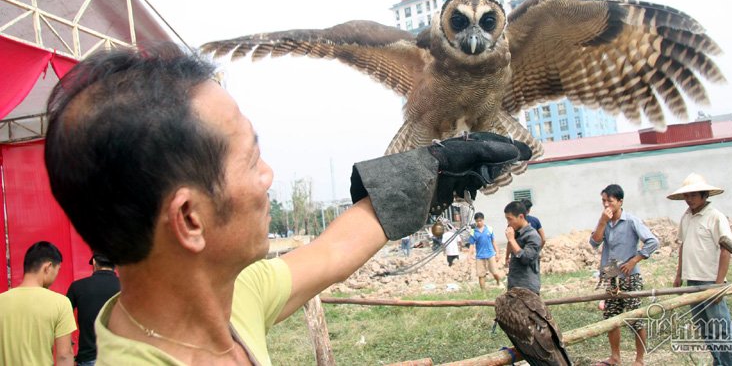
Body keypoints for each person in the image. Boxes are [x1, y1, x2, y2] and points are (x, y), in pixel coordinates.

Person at [43, 43, 529, 365]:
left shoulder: (228, 300)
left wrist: (436, 166)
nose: (268, 176)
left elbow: (333, 252)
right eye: (252, 160)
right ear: (189, 219)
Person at [669, 174, 732, 366]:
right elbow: (683, 246)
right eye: (687, 195)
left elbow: (726, 250)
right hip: (692, 280)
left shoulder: (715, 217)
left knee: (722, 330)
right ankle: (719, 362)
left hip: (710, 281)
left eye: (693, 195)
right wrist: (679, 275)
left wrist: (719, 283)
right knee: (706, 329)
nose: (689, 199)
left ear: (704, 195)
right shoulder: (686, 216)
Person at [589, 184, 659, 366]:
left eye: (609, 201)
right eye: (603, 201)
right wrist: (602, 221)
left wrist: (634, 260)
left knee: (635, 318)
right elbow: (594, 242)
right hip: (611, 273)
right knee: (612, 318)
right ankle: (615, 357)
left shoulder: (631, 221)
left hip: (629, 275)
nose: (606, 205)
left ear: (620, 202)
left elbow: (652, 242)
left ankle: (639, 359)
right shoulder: (605, 222)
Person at [0, 241, 76, 366]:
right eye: (58, 270)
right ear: (48, 267)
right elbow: (64, 355)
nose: (56, 275)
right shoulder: (60, 303)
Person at [67, 253, 122, 366]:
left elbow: (62, 318)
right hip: (119, 357)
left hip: (88, 358)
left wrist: (68, 349)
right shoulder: (126, 287)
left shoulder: (78, 286)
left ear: (94, 262)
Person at [503, 200, 542, 293]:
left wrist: (512, 240)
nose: (508, 223)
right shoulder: (517, 234)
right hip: (515, 285)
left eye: (510, 219)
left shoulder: (532, 235)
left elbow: (526, 258)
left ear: (521, 216)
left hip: (527, 288)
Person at [468, 212, 503, 290]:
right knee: (481, 275)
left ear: (483, 220)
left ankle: (498, 282)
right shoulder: (473, 231)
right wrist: (469, 255)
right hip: (480, 256)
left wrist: (497, 253)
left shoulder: (489, 229)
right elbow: (471, 244)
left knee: (494, 272)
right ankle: (483, 292)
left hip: (490, 254)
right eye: (477, 221)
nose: (479, 222)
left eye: (480, 220)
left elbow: (493, 241)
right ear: (475, 221)